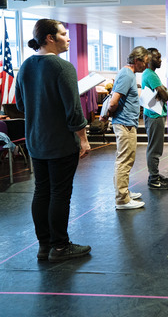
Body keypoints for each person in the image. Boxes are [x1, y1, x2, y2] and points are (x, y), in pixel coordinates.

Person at [15, 19, 92, 262]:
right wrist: (83, 139)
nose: (69, 38)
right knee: (60, 193)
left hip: (36, 141)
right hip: (59, 143)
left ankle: (44, 246)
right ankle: (60, 247)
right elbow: (73, 110)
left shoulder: (26, 66)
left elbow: (19, 104)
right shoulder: (63, 67)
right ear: (50, 38)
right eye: (64, 34)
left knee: (42, 192)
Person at [102, 46, 149, 210]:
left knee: (126, 160)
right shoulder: (127, 74)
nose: (146, 66)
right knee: (124, 161)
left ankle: (124, 192)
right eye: (145, 62)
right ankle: (122, 199)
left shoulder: (127, 74)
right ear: (137, 60)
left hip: (126, 122)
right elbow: (114, 101)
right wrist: (108, 115)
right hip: (124, 123)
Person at [141, 48, 168, 190]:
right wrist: (163, 92)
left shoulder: (151, 74)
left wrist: (164, 91)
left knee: (155, 147)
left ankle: (155, 174)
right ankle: (153, 178)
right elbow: (165, 95)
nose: (160, 60)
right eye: (158, 58)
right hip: (154, 115)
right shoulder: (151, 75)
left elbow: (166, 91)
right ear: (149, 59)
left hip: (154, 114)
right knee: (155, 148)